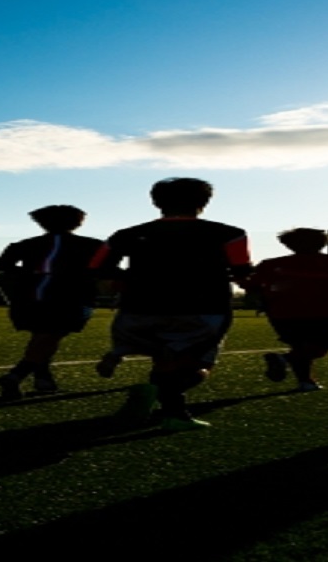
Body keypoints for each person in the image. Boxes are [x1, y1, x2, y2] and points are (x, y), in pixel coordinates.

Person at [92, 178, 251, 430]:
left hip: (139, 308)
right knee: (198, 364)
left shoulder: (126, 234)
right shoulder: (229, 233)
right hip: (203, 308)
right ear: (204, 202)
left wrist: (127, 282)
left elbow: (98, 268)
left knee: (164, 361)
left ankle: (174, 413)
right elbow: (242, 271)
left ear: (155, 201)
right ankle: (160, 399)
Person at [240, 228, 328, 392]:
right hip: (325, 311)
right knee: (318, 348)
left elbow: (250, 284)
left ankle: (306, 381)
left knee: (299, 346)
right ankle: (285, 360)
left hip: (281, 312)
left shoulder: (271, 264)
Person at [0, 205, 104, 399]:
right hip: (69, 298)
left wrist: (31, 273)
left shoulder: (24, 244)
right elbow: (104, 269)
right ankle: (16, 375)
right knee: (49, 337)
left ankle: (43, 380)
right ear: (77, 221)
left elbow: (3, 265)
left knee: (43, 337)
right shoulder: (91, 245)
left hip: (28, 298)